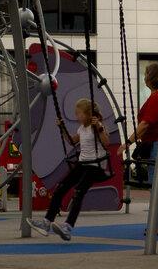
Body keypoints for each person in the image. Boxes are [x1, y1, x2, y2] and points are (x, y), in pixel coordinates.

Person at [26, 98, 110, 241]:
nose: (76, 116)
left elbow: (106, 143)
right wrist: (62, 128)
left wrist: (99, 127)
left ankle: (67, 227)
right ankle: (46, 222)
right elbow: (72, 141)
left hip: (95, 166)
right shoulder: (81, 128)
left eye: (79, 113)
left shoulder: (97, 126)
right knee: (61, 188)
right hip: (83, 164)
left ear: (88, 114)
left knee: (78, 192)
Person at [122, 63, 158, 236]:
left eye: (146, 74)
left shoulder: (157, 98)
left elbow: (145, 124)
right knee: (157, 184)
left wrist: (128, 142)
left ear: (151, 77)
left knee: (157, 185)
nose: (144, 78)